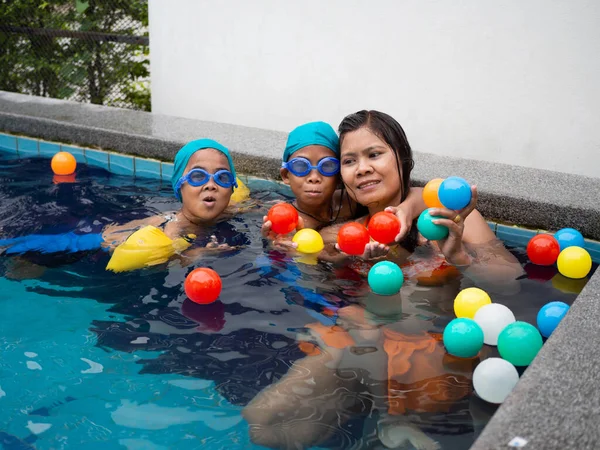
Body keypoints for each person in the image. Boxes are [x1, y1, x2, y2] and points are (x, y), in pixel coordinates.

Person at [243, 111, 524, 450]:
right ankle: (383, 424)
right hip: (362, 346)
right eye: (349, 161)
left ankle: (388, 422)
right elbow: (315, 278)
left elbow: (510, 281)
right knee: (263, 422)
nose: (362, 168)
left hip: (438, 352)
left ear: (402, 158)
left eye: (374, 154)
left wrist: (459, 257)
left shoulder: (446, 219)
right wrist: (288, 251)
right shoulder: (346, 235)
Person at [0, 139, 249, 271]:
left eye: (222, 178)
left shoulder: (228, 211)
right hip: (95, 244)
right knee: (31, 255)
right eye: (197, 176)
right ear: (179, 187)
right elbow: (165, 263)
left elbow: (253, 206)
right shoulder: (175, 226)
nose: (211, 185)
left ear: (231, 189)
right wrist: (197, 254)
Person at [261, 121, 426, 260]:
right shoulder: (286, 220)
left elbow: (422, 194)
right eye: (300, 166)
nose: (313, 177)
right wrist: (277, 245)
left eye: (327, 166)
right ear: (285, 175)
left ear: (338, 175)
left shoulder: (350, 200)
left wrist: (407, 209)